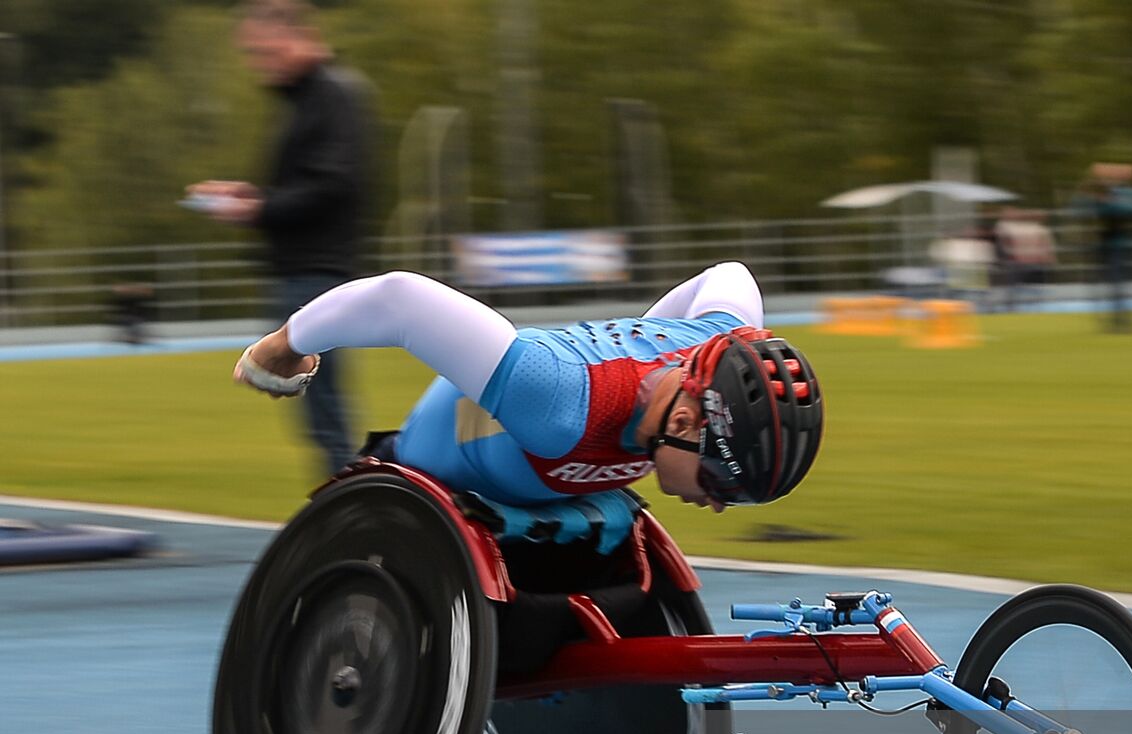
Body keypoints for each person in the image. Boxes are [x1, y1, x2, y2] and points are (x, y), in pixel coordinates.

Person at [233, 262, 824, 511]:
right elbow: (399, 300)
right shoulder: (559, 402)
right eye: (723, 483)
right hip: (435, 468)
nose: (719, 504)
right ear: (681, 424)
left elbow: (729, 276)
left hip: (543, 461)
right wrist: (282, 350)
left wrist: (652, 330)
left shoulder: (721, 343)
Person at [188, 0, 373, 476]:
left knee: (325, 416)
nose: (259, 64)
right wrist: (254, 198)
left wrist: (259, 208)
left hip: (316, 276)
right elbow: (314, 182)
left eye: (264, 52)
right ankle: (352, 509)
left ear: (295, 36)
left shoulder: (333, 95)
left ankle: (357, 515)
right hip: (303, 273)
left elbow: (334, 185)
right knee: (320, 415)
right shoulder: (308, 101)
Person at [1074, 163, 1132, 332]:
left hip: (1129, 243)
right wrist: (1090, 183)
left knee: (1125, 284)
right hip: (1106, 244)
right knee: (1112, 284)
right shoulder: (1099, 192)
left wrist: (1110, 202)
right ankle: (1117, 319)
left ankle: (1126, 319)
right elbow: (1079, 207)